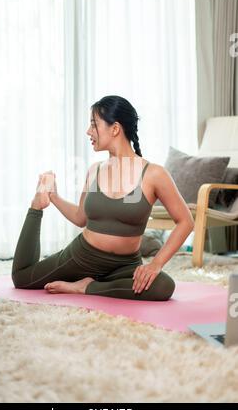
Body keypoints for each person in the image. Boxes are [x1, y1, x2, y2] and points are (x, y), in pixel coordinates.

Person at [11, 96, 194, 300]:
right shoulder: (94, 171)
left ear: (115, 128)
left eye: (93, 125)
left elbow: (186, 221)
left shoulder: (154, 174)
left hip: (126, 265)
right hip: (83, 257)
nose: (89, 132)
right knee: (22, 278)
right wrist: (52, 196)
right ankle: (35, 207)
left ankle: (86, 287)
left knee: (162, 286)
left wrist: (155, 264)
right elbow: (81, 218)